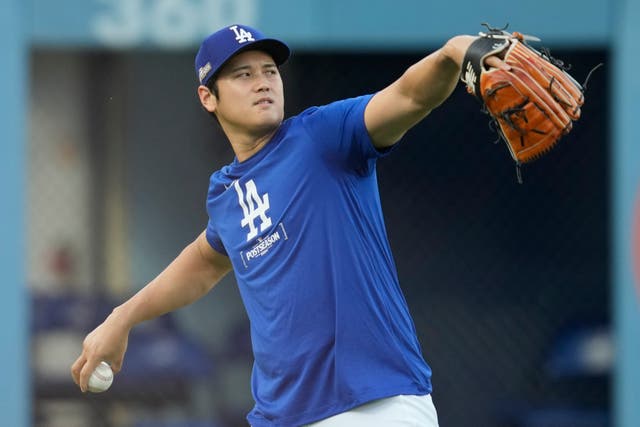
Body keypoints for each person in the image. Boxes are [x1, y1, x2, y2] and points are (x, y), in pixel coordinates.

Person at [71, 24, 508, 426]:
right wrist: (122, 318)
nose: (263, 81)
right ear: (208, 97)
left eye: (269, 71)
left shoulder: (322, 137)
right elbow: (204, 261)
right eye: (242, 75)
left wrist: (453, 53)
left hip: (374, 404)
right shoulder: (225, 193)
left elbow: (410, 97)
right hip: (283, 416)